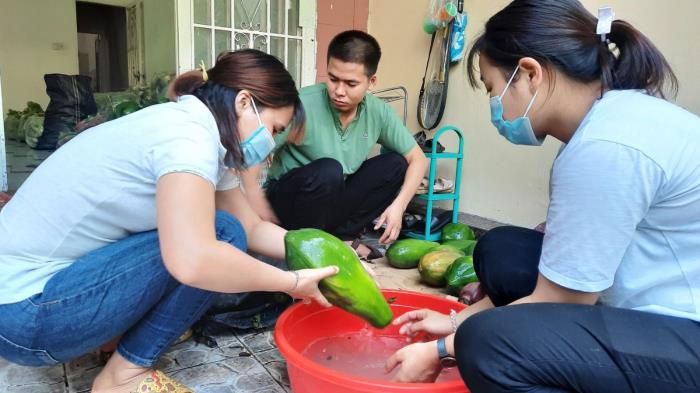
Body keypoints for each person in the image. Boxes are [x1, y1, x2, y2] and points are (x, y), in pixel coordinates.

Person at [385, 1, 700, 391]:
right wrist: (453, 321)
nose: (494, 107)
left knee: (488, 346)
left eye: (492, 89)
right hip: (642, 301)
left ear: (529, 73)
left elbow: (563, 298)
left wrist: (442, 347)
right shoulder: (609, 122)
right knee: (502, 249)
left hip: (686, 333)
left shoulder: (606, 145)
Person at [0, 49, 339, 393]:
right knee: (217, 235)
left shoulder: (191, 128)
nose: (269, 145)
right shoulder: (188, 140)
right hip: (25, 315)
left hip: (26, 302)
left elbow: (252, 227)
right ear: (244, 102)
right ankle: (123, 376)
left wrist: (333, 258)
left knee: (218, 228)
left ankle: (110, 339)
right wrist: (291, 282)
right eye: (273, 128)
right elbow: (194, 260)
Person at [239, 30, 428, 256]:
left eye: (350, 83)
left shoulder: (378, 112)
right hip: (287, 203)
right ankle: (312, 244)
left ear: (372, 82)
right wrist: (252, 195)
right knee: (329, 170)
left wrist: (399, 206)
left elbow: (418, 158)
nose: (338, 91)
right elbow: (251, 151)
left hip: (330, 201)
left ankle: (342, 237)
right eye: (333, 79)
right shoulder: (301, 104)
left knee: (396, 164)